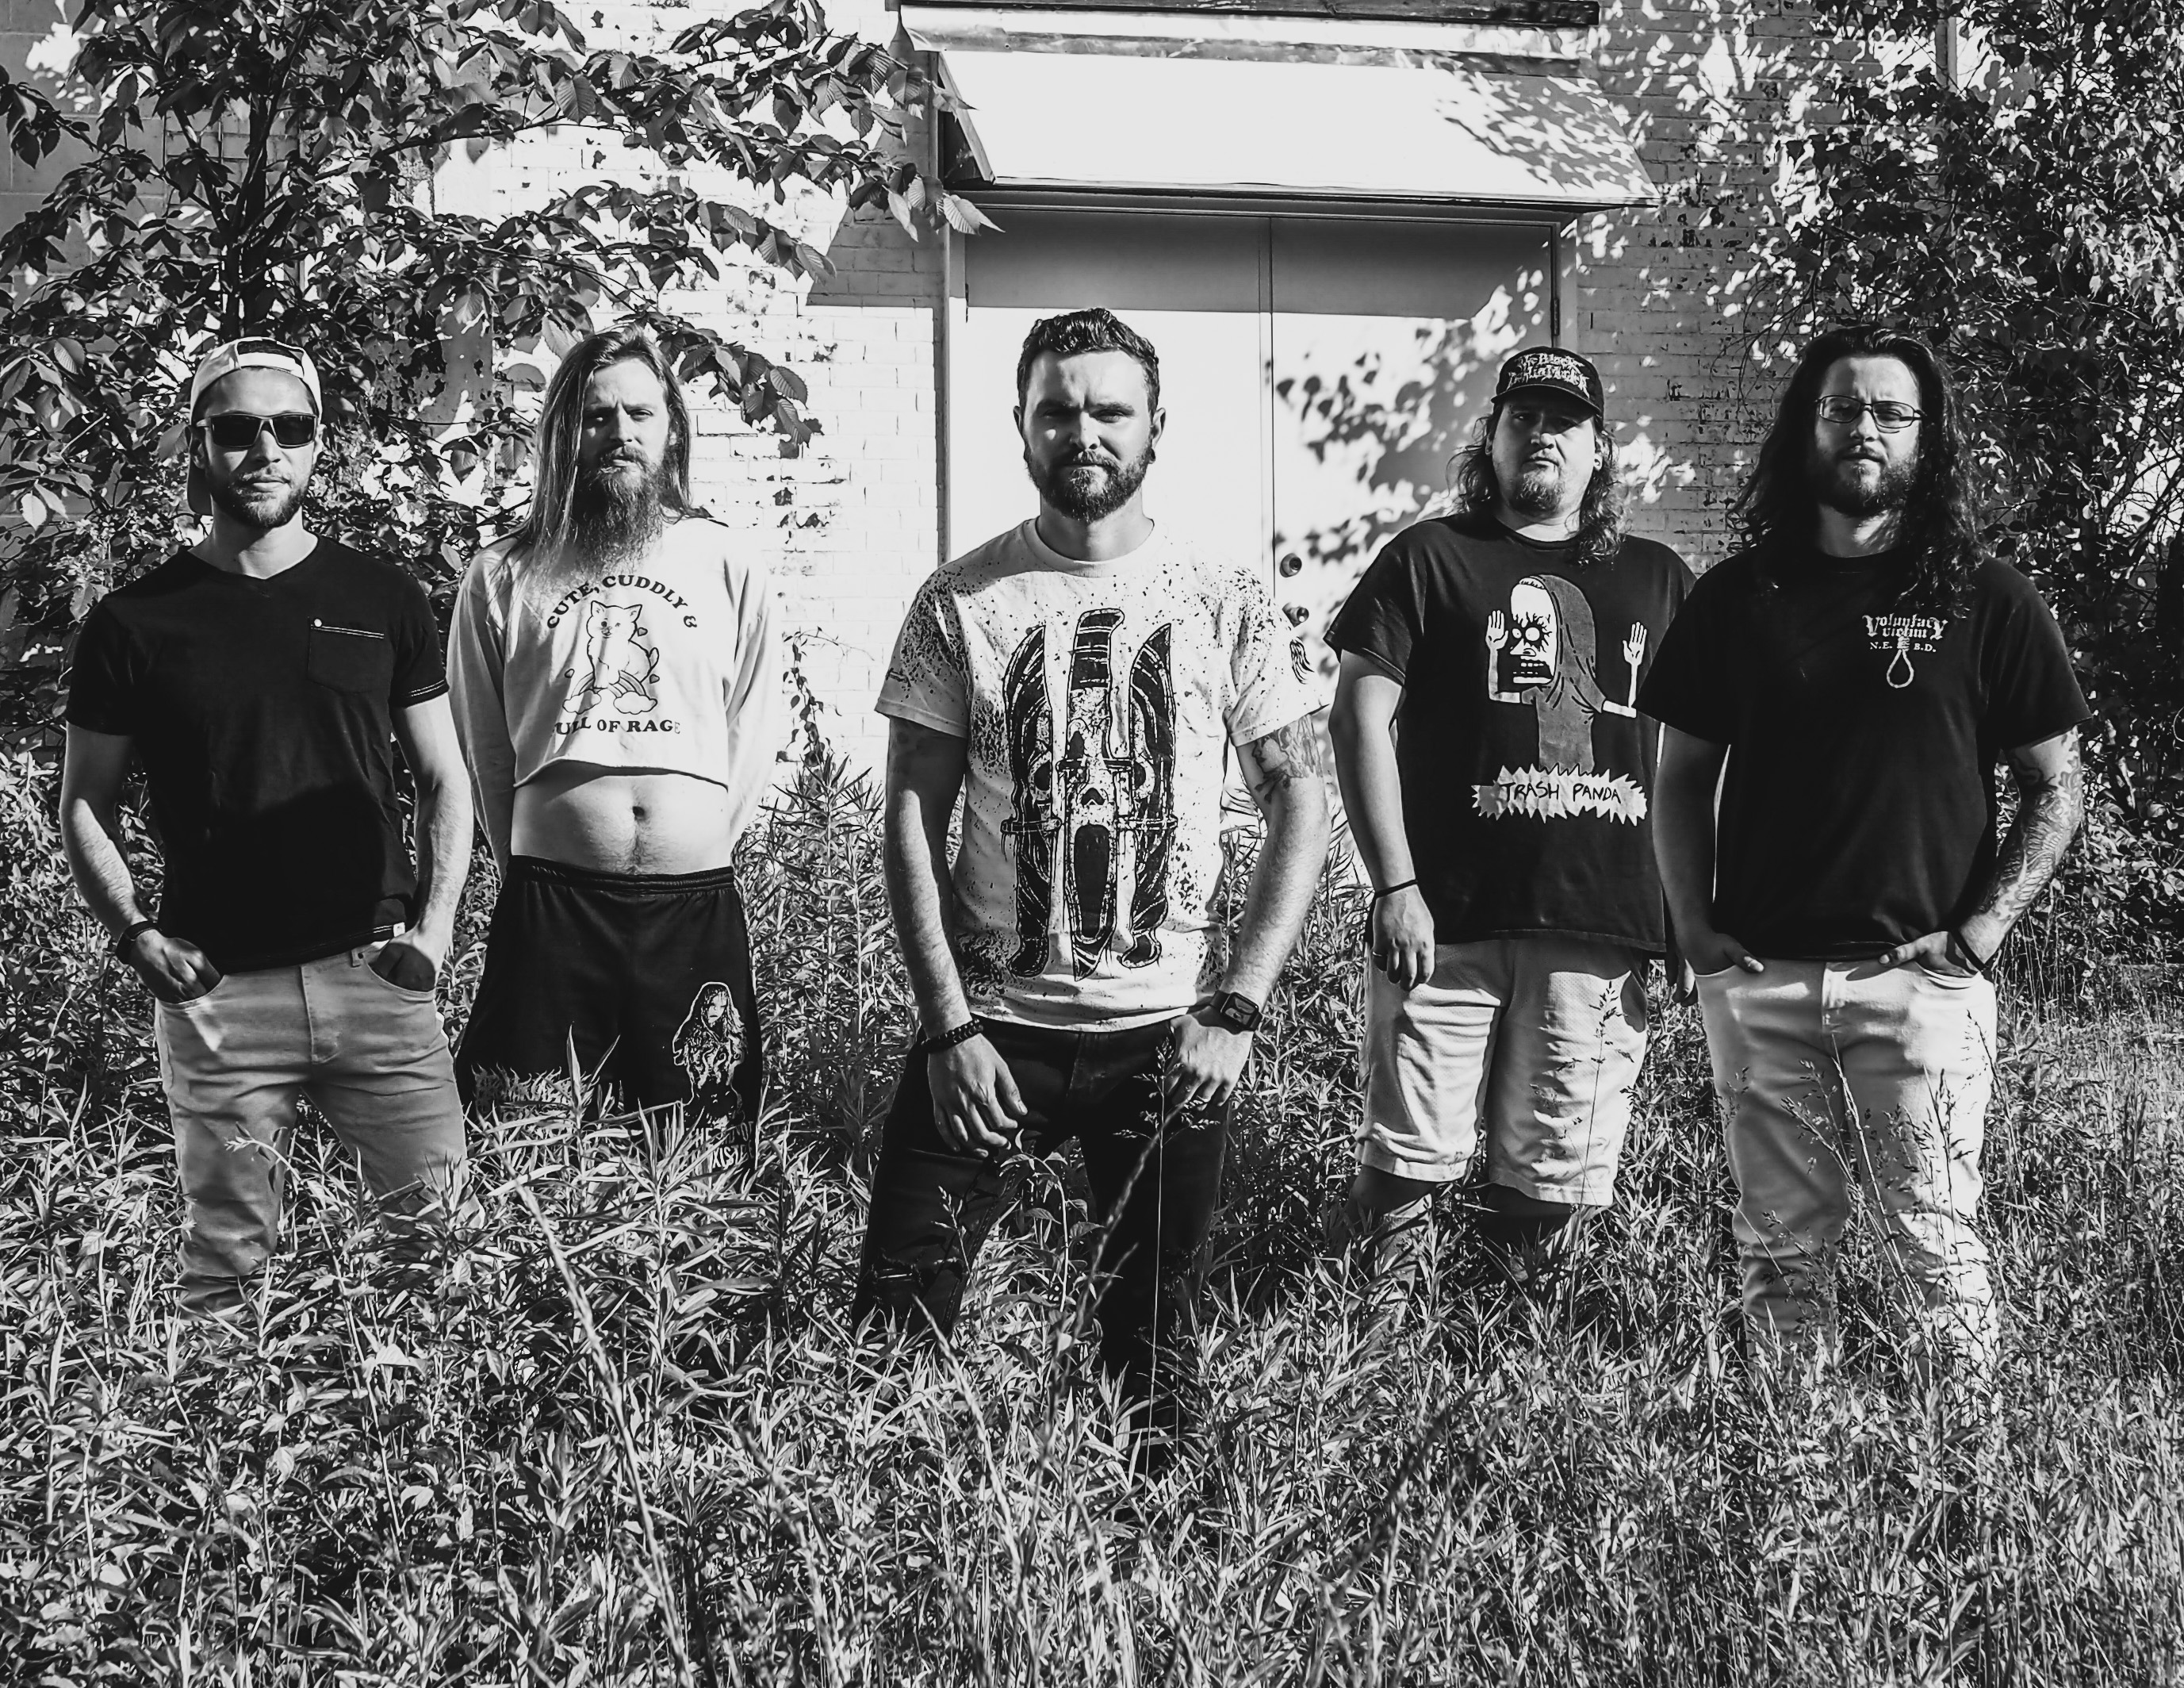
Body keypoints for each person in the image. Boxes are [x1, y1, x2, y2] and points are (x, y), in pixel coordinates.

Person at [852, 307, 1329, 1444]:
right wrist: (946, 1029)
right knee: (896, 1331)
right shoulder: (960, 599)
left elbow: (1301, 798)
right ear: (1020, 426)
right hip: (991, 1034)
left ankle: (1158, 1549)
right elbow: (910, 816)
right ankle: (906, 1532)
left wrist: (1237, 1009)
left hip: (1166, 1040)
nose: (1084, 432)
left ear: (1156, 426)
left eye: (1110, 410)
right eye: (1057, 410)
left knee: (1153, 1354)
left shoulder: (1222, 594)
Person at [1642, 324, 2089, 1388]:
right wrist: (1694, 929)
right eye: (1841, 407)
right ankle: (1799, 1469)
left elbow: (2058, 787)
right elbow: (1679, 779)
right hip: (1762, 981)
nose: (1864, 429)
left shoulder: (1985, 597)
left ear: (1927, 440)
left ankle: (1961, 1468)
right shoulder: (1737, 598)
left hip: (1921, 987)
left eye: (1891, 412)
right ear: (1806, 427)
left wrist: (1977, 938)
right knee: (1780, 1254)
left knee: (1934, 1242)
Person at [59, 338, 473, 1315]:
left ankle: (410, 1418)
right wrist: (136, 935)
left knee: (439, 1252)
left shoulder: (383, 597)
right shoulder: (134, 623)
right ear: (199, 445)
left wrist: (435, 932)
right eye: (239, 428)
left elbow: (444, 776)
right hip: (221, 995)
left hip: (379, 980)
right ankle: (230, 1425)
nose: (266, 449)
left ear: (320, 443)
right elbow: (83, 803)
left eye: (291, 427)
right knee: (227, 1272)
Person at [1324, 347, 1693, 1301]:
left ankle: (1513, 1364)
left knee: (1553, 1189)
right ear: (1490, 437)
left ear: (1599, 449)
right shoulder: (1427, 559)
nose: (1542, 434)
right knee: (1403, 1173)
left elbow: (1701, 754)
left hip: (1601, 930)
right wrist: (1394, 885)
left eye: (1564, 421)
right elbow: (1358, 718)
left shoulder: (1658, 579)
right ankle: (1382, 1363)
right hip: (1440, 928)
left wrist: (1694, 908)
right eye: (1522, 417)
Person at [448, 326, 780, 1119]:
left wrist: (699, 847)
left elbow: (752, 730)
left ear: (673, 430)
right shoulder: (503, 572)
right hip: (551, 910)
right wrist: (533, 862)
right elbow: (482, 747)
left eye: (639, 414)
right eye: (597, 416)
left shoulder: (727, 562)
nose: (619, 433)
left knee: (700, 1138)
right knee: (525, 1135)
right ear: (565, 433)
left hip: (694, 909)